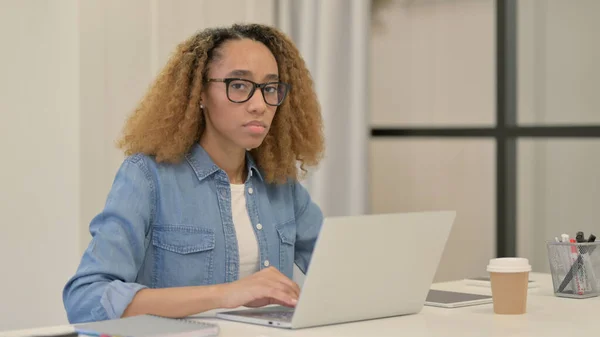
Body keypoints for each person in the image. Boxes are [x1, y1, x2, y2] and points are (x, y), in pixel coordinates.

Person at [63, 23, 325, 323]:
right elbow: (85, 298)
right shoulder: (148, 177)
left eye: (269, 88)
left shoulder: (281, 185)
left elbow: (340, 270)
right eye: (239, 85)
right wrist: (227, 293)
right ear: (199, 92)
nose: (259, 105)